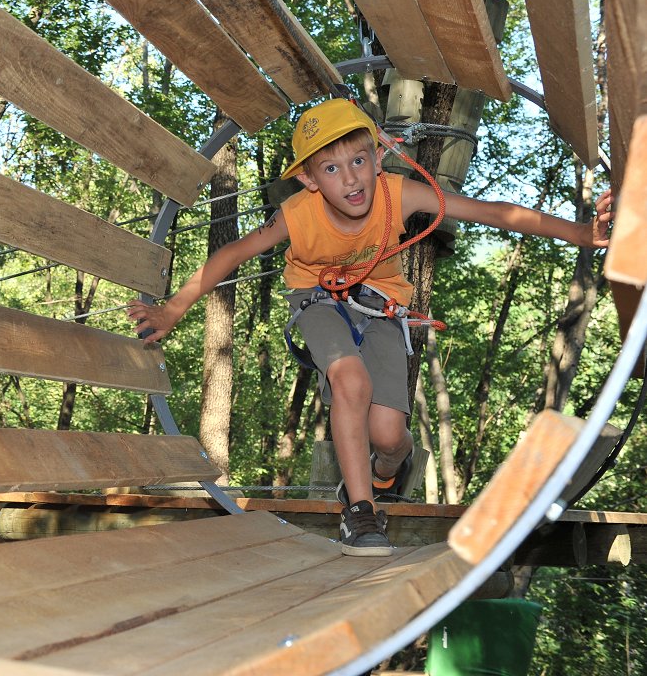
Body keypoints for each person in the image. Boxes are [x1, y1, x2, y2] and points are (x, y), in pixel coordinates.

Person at [127, 98, 615, 557]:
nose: (351, 179)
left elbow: (491, 212)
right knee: (349, 379)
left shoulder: (397, 195)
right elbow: (232, 253)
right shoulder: (298, 215)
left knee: (388, 435)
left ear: (377, 158)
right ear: (311, 180)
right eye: (332, 169)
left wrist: (578, 233)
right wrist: (173, 310)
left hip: (382, 307)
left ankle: (387, 471)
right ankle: (361, 513)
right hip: (317, 300)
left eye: (358, 160)